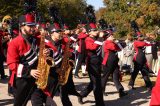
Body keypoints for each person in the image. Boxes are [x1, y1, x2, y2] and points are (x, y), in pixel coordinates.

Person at [7, 13, 49, 106]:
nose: (33, 28)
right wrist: (29, 72)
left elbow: (45, 50)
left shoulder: (36, 39)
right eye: (29, 26)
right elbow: (12, 64)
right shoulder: (14, 43)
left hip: (37, 79)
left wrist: (46, 53)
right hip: (22, 80)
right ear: (22, 26)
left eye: (33, 25)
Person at [78, 23, 105, 106]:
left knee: (94, 82)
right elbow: (93, 47)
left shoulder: (95, 38)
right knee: (97, 84)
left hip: (98, 62)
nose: (96, 31)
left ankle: (82, 94)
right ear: (89, 32)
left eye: (96, 30)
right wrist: (100, 37)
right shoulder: (87, 39)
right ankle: (100, 103)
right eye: (94, 30)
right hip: (92, 63)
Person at [101, 30, 127, 98]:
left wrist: (118, 42)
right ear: (107, 37)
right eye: (111, 35)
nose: (113, 36)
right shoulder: (107, 42)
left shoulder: (112, 42)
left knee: (116, 76)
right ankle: (101, 90)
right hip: (108, 61)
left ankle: (120, 90)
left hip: (114, 61)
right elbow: (114, 48)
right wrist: (117, 42)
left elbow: (120, 48)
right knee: (105, 77)